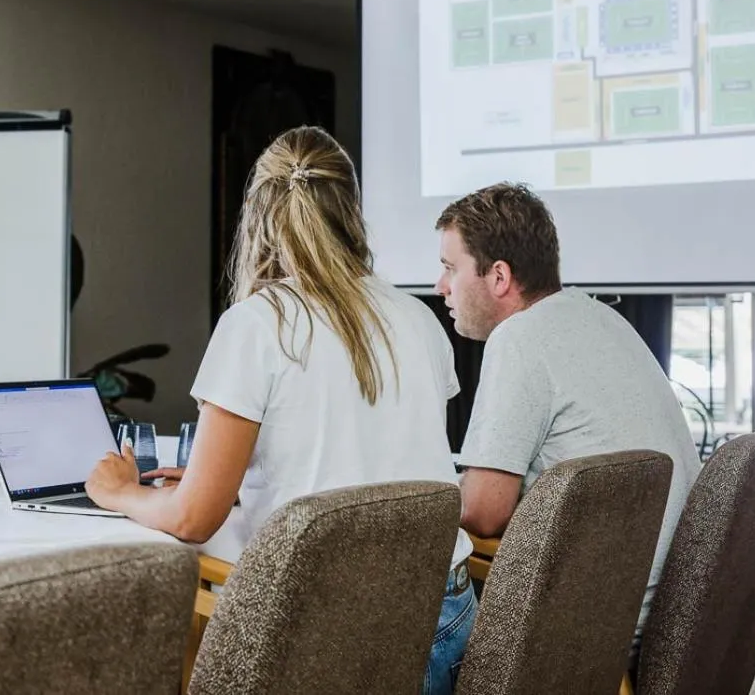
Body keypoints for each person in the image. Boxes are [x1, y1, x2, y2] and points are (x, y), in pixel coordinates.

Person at [85, 126, 475, 695]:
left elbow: (193, 520)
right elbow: (383, 459)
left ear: (260, 218)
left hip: (327, 627)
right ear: (352, 211)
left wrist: (119, 491)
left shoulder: (255, 324)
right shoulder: (419, 318)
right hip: (441, 612)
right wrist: (234, 478)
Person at [434, 181, 700, 643]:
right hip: (675, 613)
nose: (440, 288)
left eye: (450, 269)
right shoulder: (601, 317)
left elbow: (483, 511)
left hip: (594, 629)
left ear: (498, 277)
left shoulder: (520, 338)